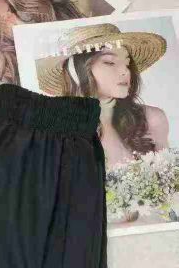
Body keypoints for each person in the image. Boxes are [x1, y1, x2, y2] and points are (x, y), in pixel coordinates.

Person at [36, 24, 169, 167]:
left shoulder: (152, 119)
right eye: (110, 62)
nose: (125, 71)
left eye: (127, 63)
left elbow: (170, 177)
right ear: (77, 71)